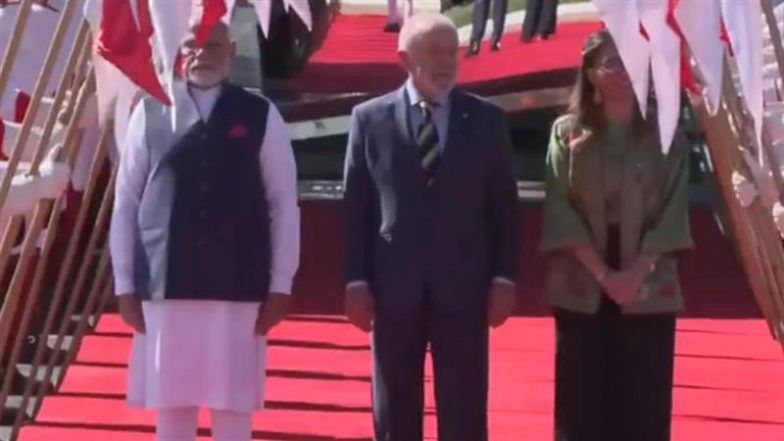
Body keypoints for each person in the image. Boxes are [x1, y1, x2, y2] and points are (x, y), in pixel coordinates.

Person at [108, 19, 300, 441]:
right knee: (173, 408)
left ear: (232, 50)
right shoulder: (150, 111)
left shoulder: (260, 115)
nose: (202, 54)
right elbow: (126, 203)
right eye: (193, 45)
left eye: (214, 45)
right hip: (166, 285)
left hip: (237, 289)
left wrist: (281, 284)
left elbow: (283, 202)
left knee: (233, 408)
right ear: (178, 50)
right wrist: (124, 283)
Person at [342, 12, 520, 441]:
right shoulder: (369, 119)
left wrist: (503, 278)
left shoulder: (486, 120)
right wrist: (355, 282)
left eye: (451, 52)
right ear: (405, 58)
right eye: (433, 53)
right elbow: (356, 207)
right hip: (393, 287)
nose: (446, 63)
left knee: (464, 405)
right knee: (394, 404)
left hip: (464, 287)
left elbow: (504, 207)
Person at [540, 29, 692, 441]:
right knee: (582, 398)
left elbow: (674, 209)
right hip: (583, 275)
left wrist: (635, 273)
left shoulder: (665, 132)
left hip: (648, 274)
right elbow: (560, 205)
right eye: (612, 63)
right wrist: (604, 276)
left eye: (630, 61)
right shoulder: (565, 133)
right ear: (590, 74)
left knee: (644, 398)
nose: (623, 72)